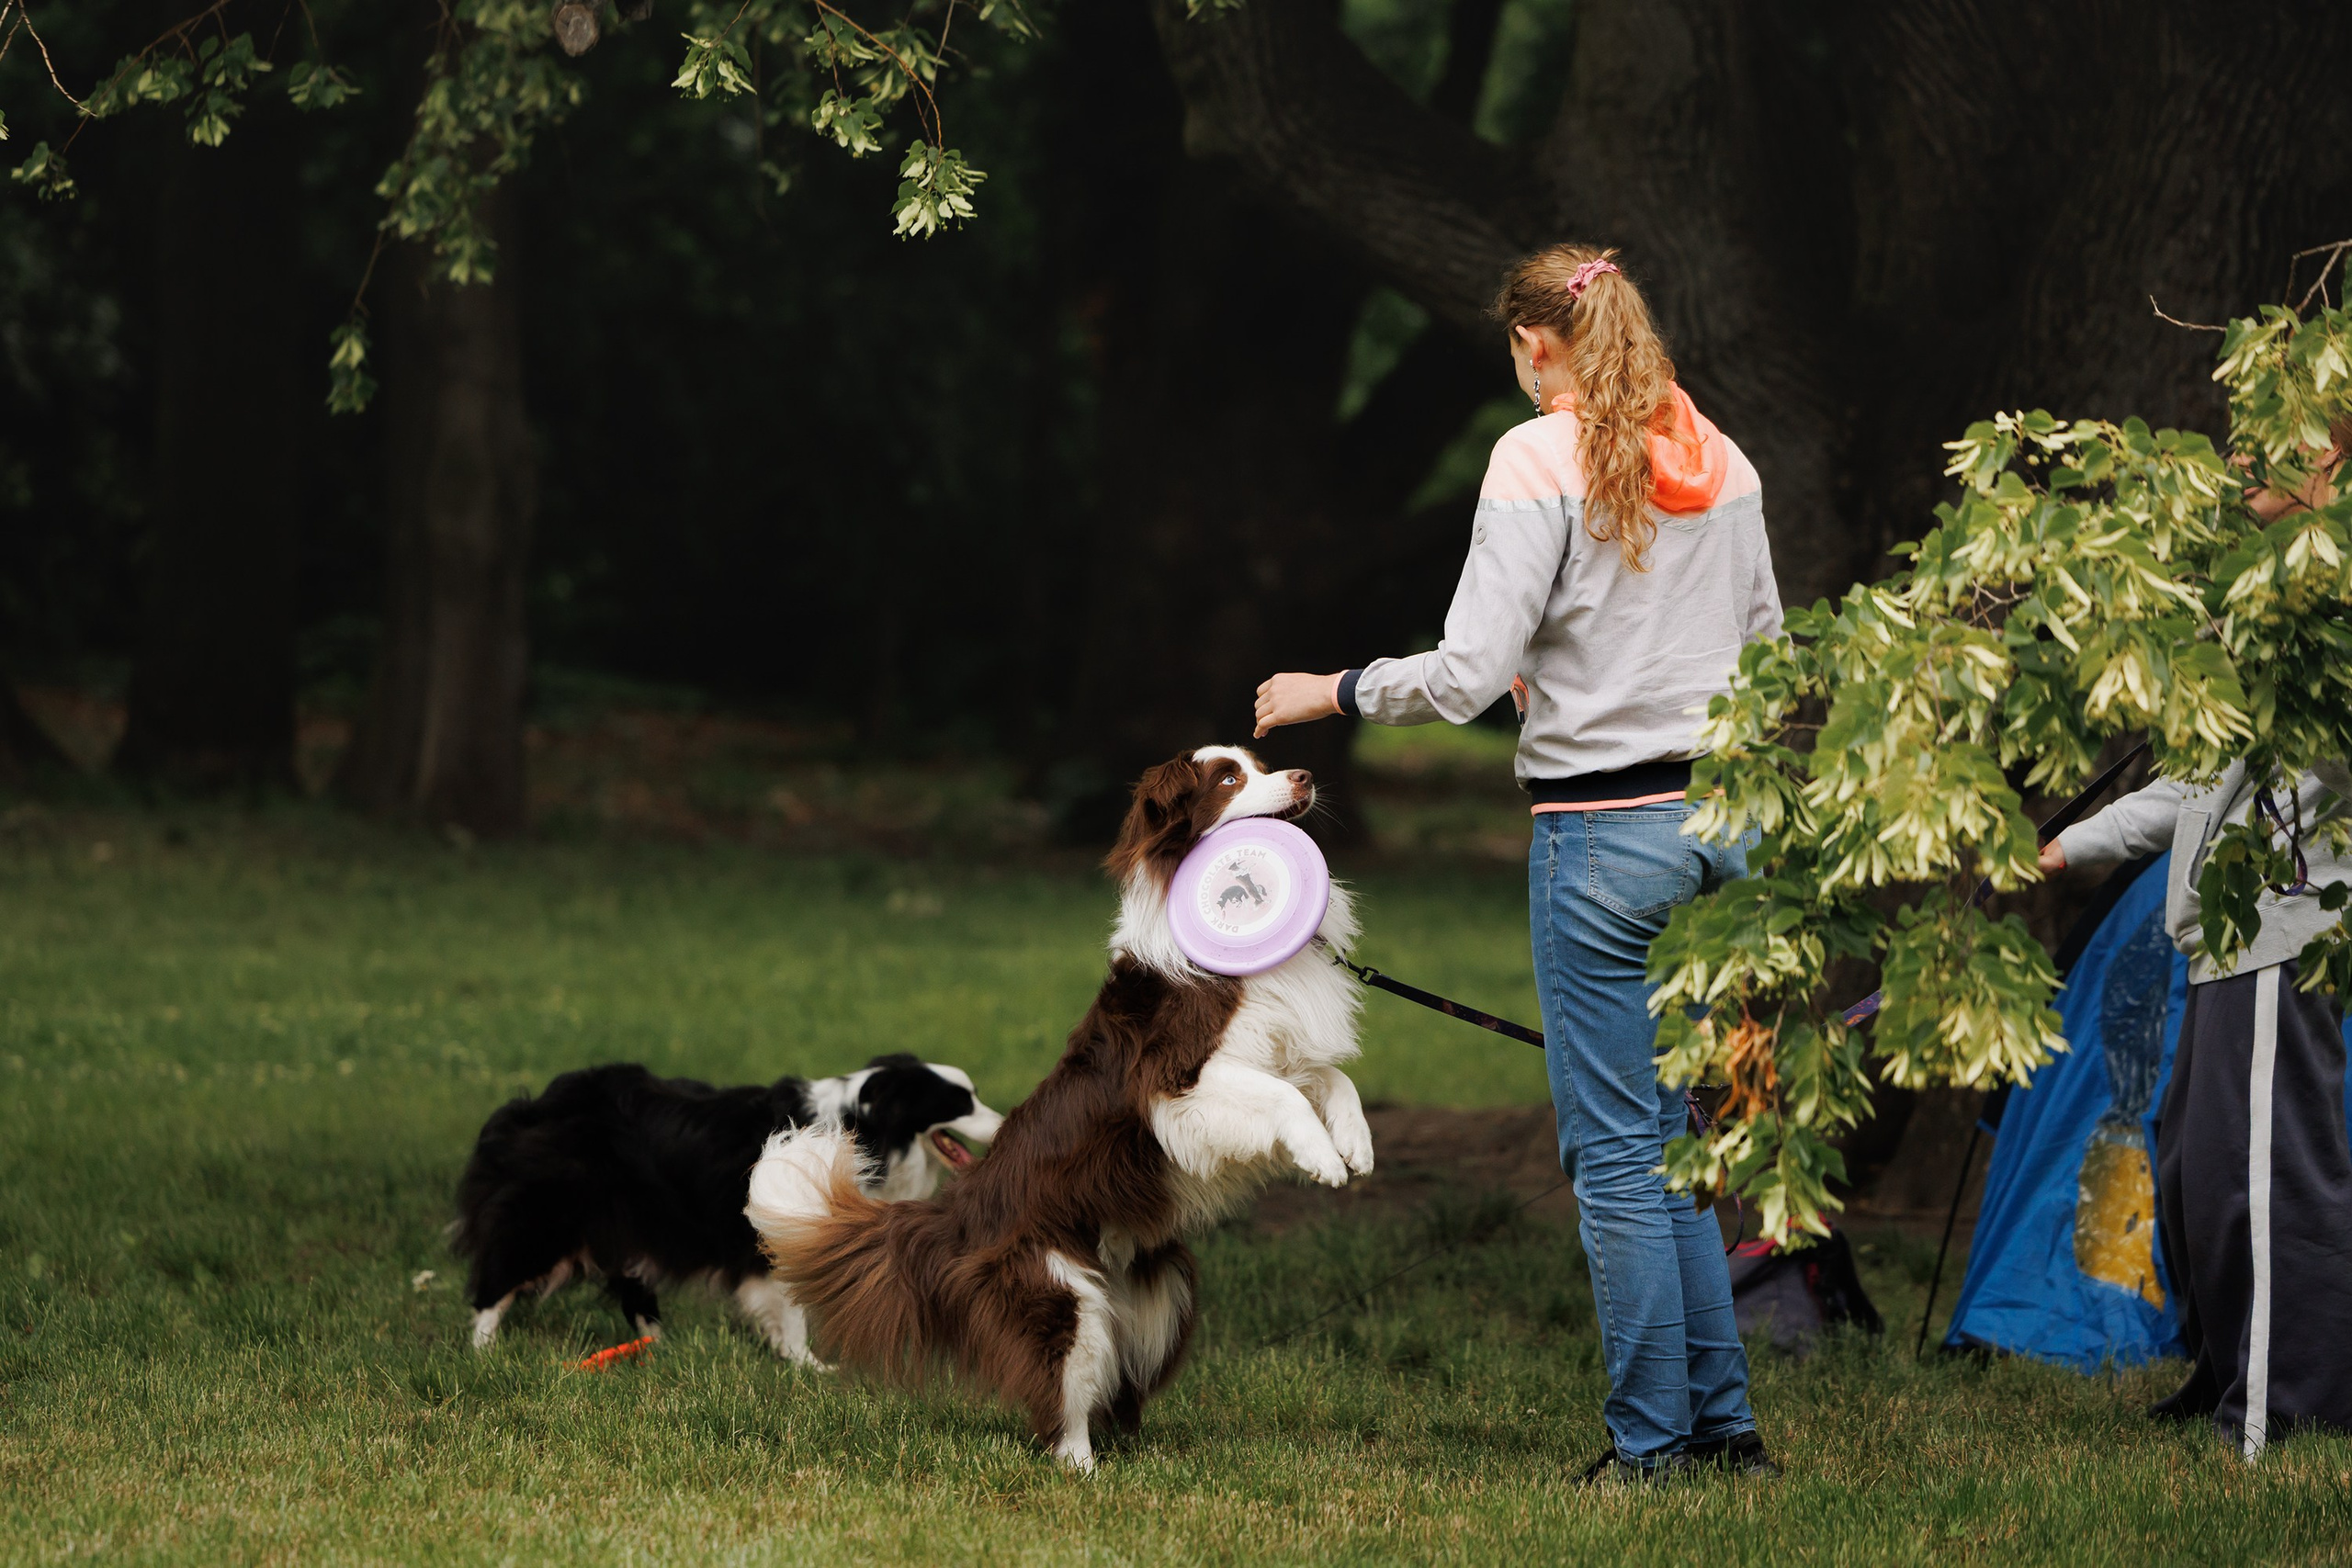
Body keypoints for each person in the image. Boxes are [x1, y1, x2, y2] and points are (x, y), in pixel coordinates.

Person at [1252, 244, 1783, 1483]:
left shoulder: (1535, 455)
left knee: (1615, 1152)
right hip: (1726, 830)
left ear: (1535, 346)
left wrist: (1330, 687)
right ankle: (1725, 1430)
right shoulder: (1725, 454)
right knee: (1681, 1136)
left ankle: (1651, 1448)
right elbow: (1760, 646)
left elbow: (1464, 669)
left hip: (1604, 837)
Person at [2040, 427, 2352, 1459]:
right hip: (2222, 935)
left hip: (2282, 926)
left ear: (2335, 472)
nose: (2247, 458)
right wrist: (2064, 849)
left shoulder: (2329, 613)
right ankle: (2229, 1371)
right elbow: (2194, 782)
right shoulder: (2266, 607)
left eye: (2282, 446)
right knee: (2191, 1168)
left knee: (2263, 1179)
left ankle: (2280, 1412)